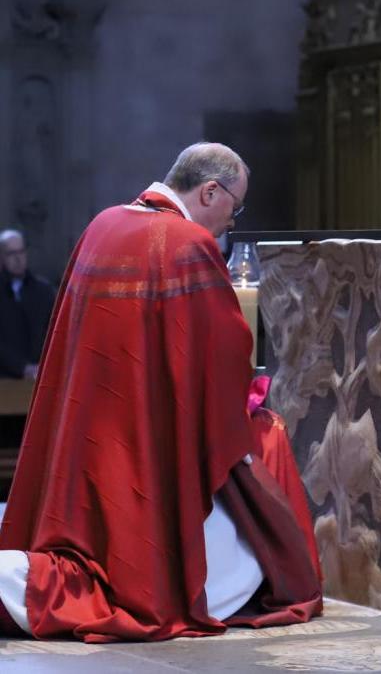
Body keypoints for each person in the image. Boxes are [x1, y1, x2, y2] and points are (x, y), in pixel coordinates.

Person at [0, 142, 322, 642]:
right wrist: (249, 396)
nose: (232, 223)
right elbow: (224, 354)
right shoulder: (187, 246)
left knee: (86, 554)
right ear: (210, 191)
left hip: (85, 433)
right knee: (266, 441)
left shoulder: (102, 225)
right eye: (235, 210)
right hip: (146, 438)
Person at [0, 230, 56, 380]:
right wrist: (21, 367)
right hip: (5, 378)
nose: (18, 258)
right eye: (11, 253)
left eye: (21, 252)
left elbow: (54, 331)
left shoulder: (43, 290)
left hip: (39, 375)